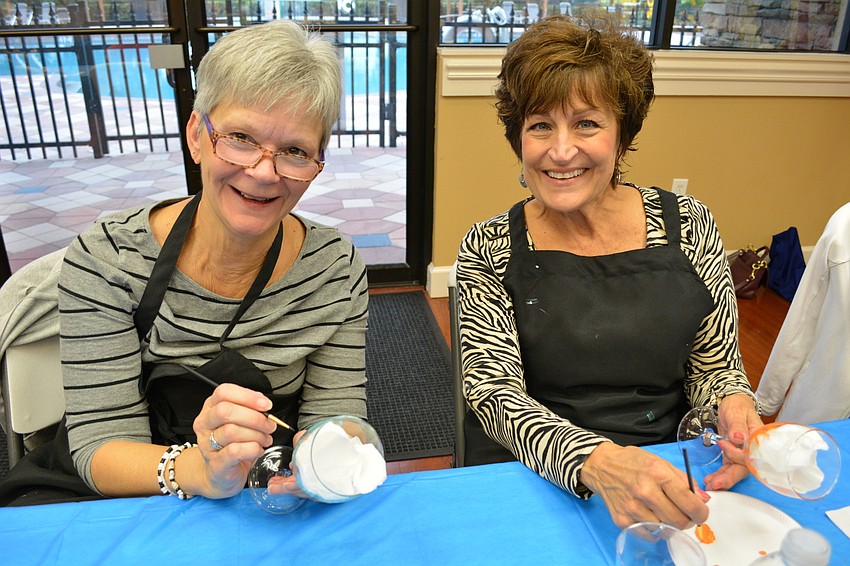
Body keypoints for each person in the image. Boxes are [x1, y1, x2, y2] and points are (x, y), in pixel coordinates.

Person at [0, 20, 368, 505]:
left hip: (267, 490)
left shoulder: (335, 268)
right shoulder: (108, 259)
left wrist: (330, 446)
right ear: (197, 135)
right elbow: (100, 445)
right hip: (128, 491)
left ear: (317, 164)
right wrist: (200, 470)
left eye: (295, 151)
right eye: (240, 137)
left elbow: (337, 409)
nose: (262, 172)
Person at [454, 14, 763, 529]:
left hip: (669, 464)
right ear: (518, 140)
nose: (560, 151)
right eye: (540, 126)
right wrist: (599, 463)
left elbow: (716, 365)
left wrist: (734, 405)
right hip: (541, 475)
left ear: (623, 136)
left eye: (587, 123)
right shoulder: (489, 246)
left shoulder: (687, 223)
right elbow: (494, 396)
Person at [756, 202, 850, 424]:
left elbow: (806, 313)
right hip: (828, 398)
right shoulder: (844, 228)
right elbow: (805, 314)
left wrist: (767, 398)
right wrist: (767, 397)